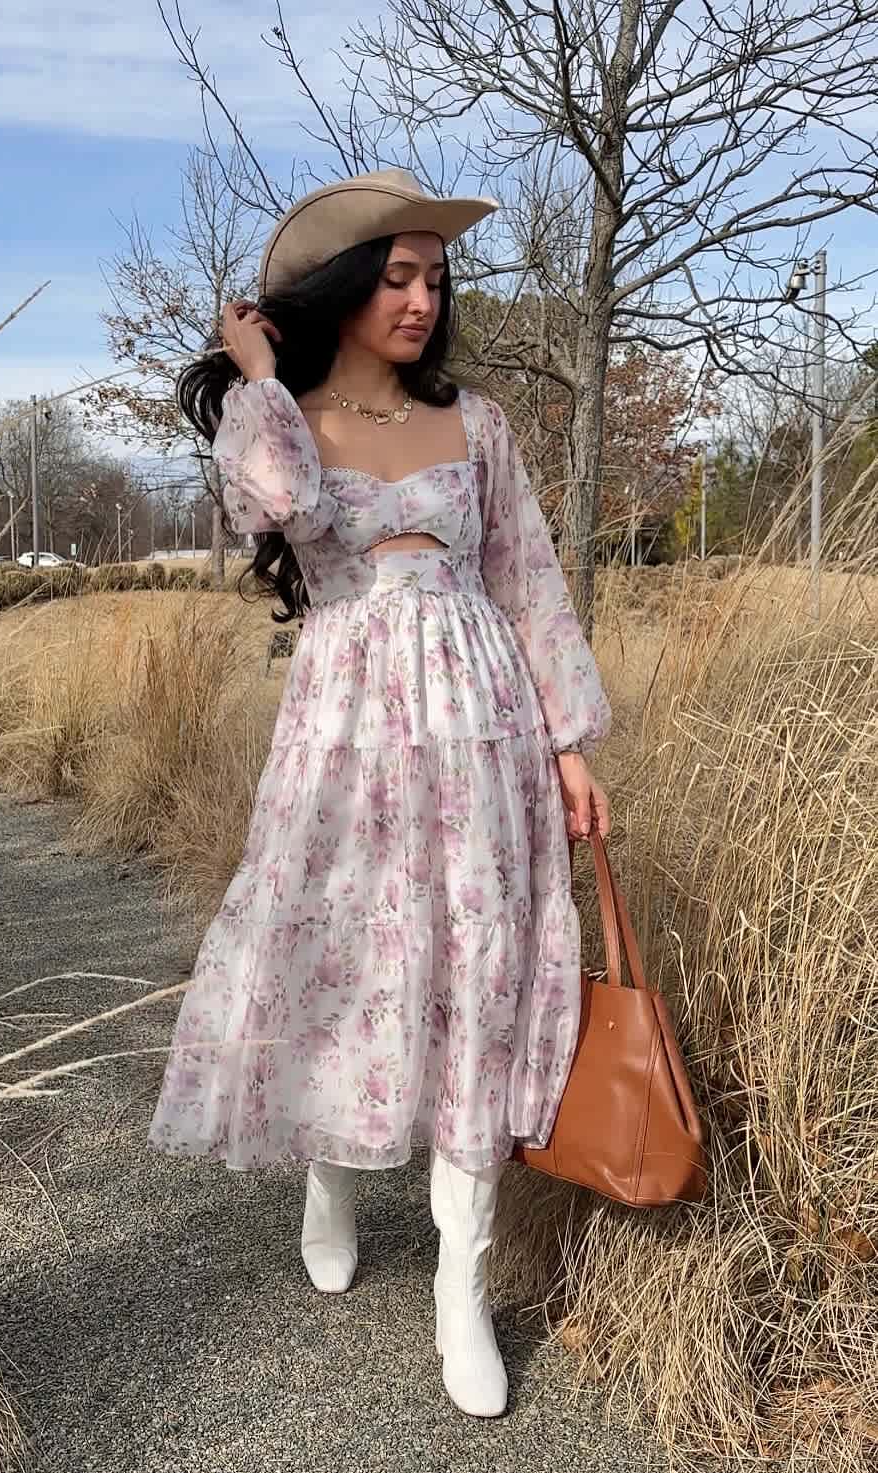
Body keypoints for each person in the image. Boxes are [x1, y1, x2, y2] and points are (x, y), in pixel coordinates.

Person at [148, 167, 613, 1418]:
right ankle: (335, 1167)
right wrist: (253, 371)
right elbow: (283, 506)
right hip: (349, 735)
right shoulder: (285, 425)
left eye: (435, 279)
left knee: (478, 971)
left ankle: (462, 1283)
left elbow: (531, 584)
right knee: (348, 951)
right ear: (348, 289)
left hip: (485, 734)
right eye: (397, 276)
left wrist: (569, 745)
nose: (422, 299)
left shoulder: (484, 427)